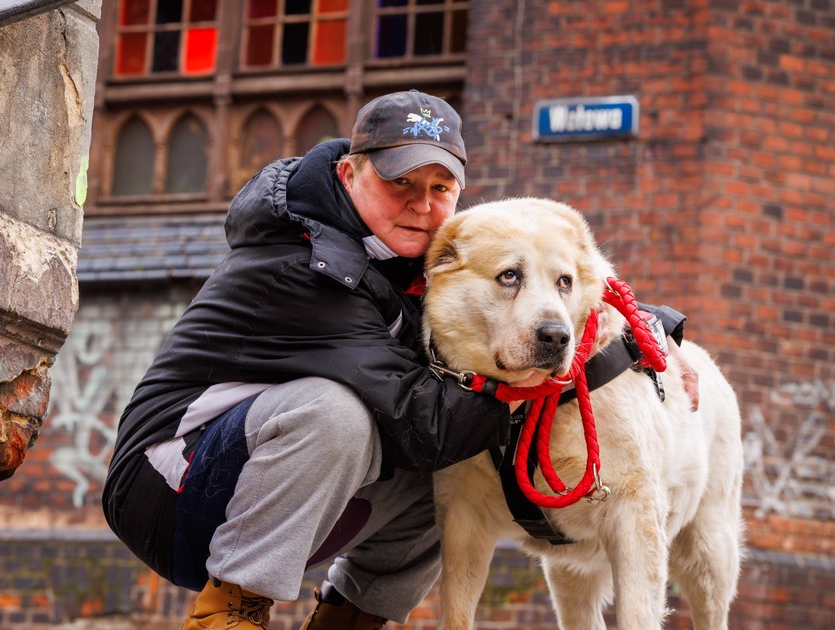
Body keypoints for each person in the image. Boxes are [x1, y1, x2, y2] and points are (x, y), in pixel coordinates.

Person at [101, 90, 693, 629]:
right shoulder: (303, 265)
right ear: (349, 172)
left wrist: (642, 333)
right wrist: (559, 368)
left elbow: (537, 281)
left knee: (449, 479)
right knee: (340, 415)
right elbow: (421, 417)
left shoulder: (412, 256)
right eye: (400, 183)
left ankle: (348, 623)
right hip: (170, 491)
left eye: (440, 189)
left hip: (273, 497)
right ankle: (230, 617)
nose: (420, 205)